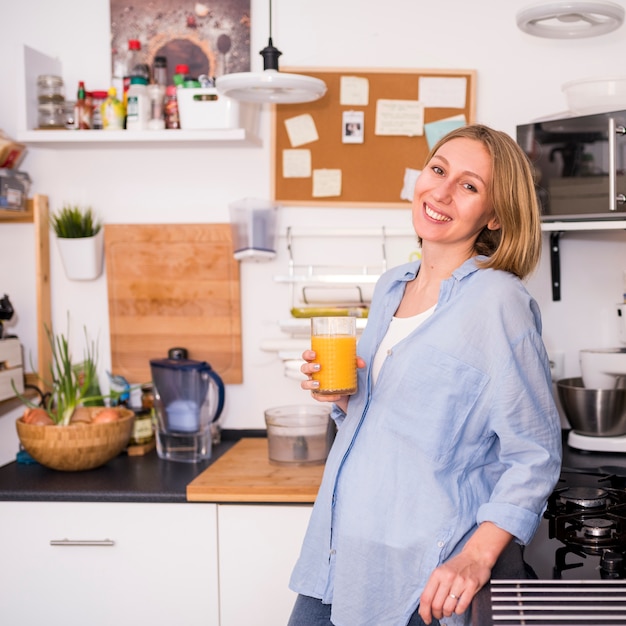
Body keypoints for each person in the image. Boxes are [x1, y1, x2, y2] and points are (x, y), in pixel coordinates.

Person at [287, 124, 563, 626]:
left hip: (422, 575)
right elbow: (401, 415)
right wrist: (343, 395)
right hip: (338, 551)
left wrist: (476, 557)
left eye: (469, 185)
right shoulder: (392, 285)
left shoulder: (498, 302)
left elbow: (536, 454)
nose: (441, 191)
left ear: (495, 216)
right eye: (438, 170)